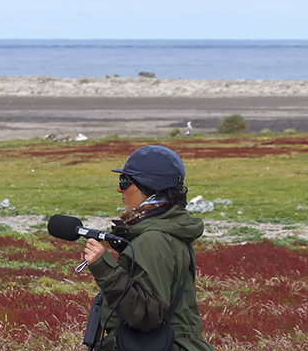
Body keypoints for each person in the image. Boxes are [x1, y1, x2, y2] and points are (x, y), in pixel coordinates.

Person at [83, 145, 215, 350]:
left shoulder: (154, 239)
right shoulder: (165, 230)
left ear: (149, 187)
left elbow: (146, 315)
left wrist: (104, 268)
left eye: (125, 182)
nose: (119, 189)